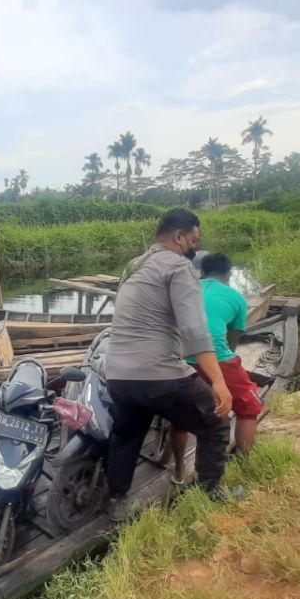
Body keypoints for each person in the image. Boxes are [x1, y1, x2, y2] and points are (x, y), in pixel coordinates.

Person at [103, 208, 232, 522]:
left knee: (126, 436)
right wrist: (218, 381)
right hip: (160, 376)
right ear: (178, 237)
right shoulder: (178, 266)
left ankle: (117, 501)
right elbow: (194, 330)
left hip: (117, 374)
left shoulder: (133, 265)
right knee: (216, 424)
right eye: (193, 241)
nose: (194, 249)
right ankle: (209, 493)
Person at [168, 252, 266, 466]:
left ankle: (179, 469)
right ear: (229, 274)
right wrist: (219, 378)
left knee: (180, 415)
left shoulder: (185, 291)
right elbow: (231, 342)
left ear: (201, 272)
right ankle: (245, 464)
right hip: (216, 359)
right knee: (249, 407)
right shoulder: (236, 298)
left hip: (177, 359)